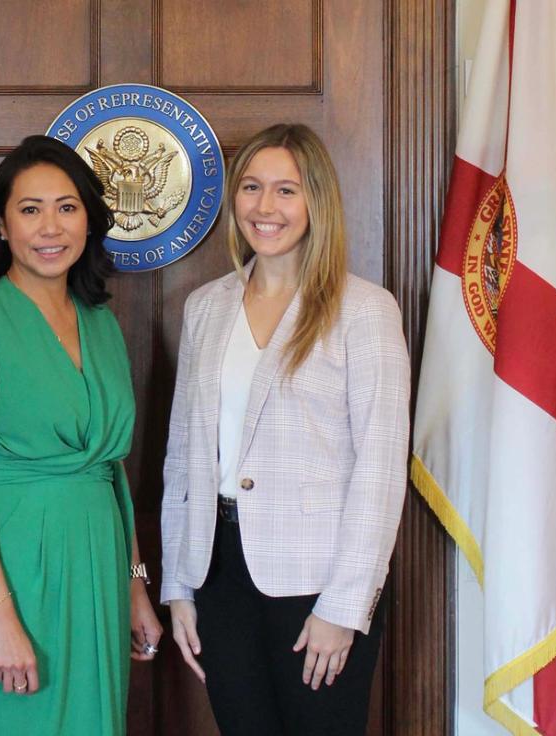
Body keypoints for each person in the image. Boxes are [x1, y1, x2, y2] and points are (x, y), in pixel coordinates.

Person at [160, 123, 410, 735]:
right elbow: (182, 458)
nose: (264, 207)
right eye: (250, 188)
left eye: (285, 191)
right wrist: (176, 584)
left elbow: (380, 472)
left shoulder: (364, 310)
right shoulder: (205, 307)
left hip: (318, 585)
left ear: (316, 201)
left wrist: (346, 608)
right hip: (216, 575)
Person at [0, 135, 163, 736]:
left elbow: (111, 474)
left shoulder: (102, 324)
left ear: (88, 219)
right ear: (2, 226)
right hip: (14, 572)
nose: (49, 226)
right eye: (30, 209)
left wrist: (136, 587)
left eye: (67, 207)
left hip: (100, 567)